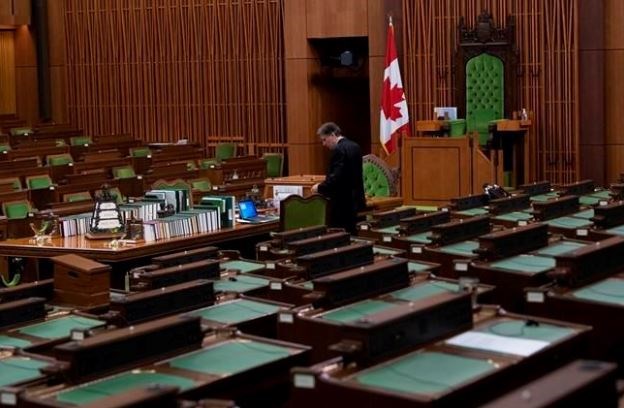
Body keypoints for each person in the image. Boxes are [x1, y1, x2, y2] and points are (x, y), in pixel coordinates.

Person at [311, 122, 366, 234]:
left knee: (340, 237)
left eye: (324, 139)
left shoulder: (339, 150)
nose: (324, 144)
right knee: (355, 237)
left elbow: (337, 179)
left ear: (332, 135)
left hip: (342, 204)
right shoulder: (355, 146)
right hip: (357, 201)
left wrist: (319, 187)